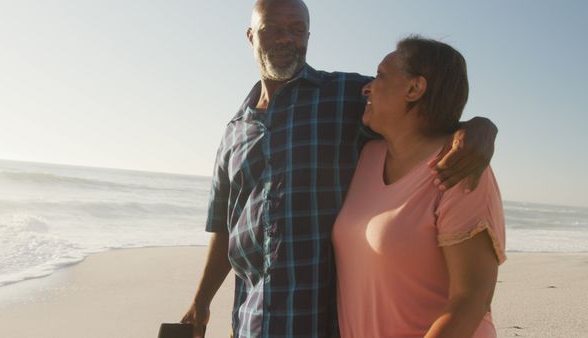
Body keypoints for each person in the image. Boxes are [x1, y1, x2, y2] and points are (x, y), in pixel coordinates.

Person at [180, 1, 498, 337]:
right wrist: (201, 300)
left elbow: (422, 113)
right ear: (250, 36)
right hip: (252, 321)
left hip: (325, 322)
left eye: (297, 29)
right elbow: (224, 227)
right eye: (272, 27)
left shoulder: (346, 97)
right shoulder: (234, 131)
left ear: (309, 36)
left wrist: (479, 127)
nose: (286, 38)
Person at [332, 36, 505, 338]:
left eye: (381, 75)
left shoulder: (460, 168)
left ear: (414, 89)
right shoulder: (367, 157)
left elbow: (472, 299)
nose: (367, 87)